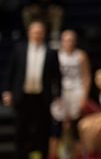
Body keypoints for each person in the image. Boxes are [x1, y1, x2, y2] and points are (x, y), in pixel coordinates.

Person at [2, 20, 62, 159]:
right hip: (23, 95)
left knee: (42, 130)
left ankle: (42, 155)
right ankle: (20, 155)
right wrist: (7, 91)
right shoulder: (19, 49)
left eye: (40, 32)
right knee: (21, 129)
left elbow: (57, 76)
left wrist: (58, 95)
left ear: (44, 34)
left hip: (42, 97)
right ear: (29, 33)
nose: (37, 34)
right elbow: (11, 71)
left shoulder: (51, 52)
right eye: (34, 32)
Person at [49, 29, 92, 159]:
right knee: (57, 126)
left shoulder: (80, 56)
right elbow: (52, 77)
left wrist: (84, 96)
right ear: (62, 41)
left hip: (77, 92)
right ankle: (53, 155)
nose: (68, 42)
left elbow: (86, 76)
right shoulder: (56, 55)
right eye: (66, 40)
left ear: (75, 41)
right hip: (61, 93)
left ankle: (78, 155)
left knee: (75, 127)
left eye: (71, 40)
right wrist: (55, 95)